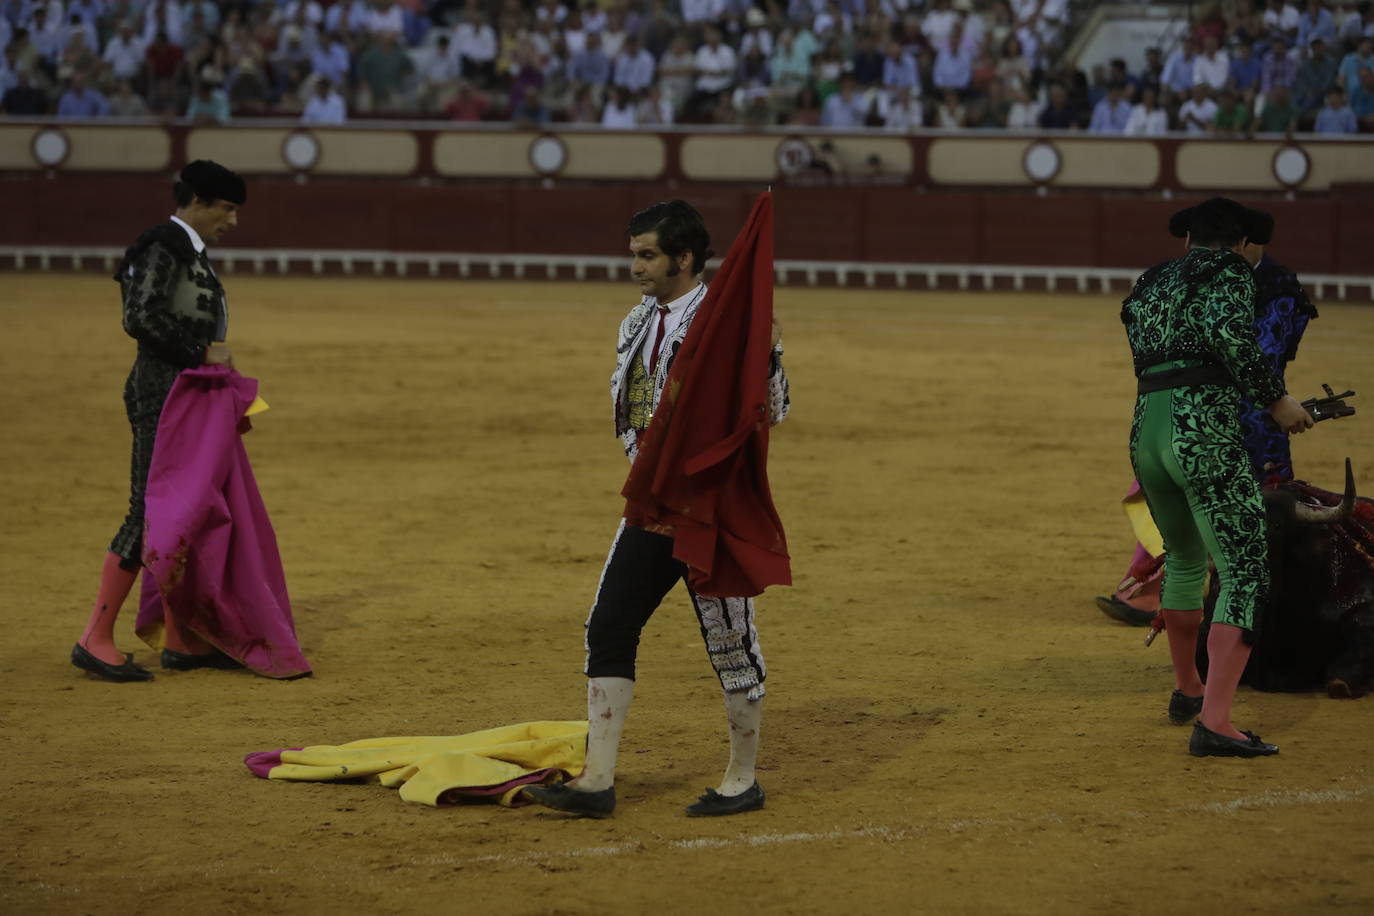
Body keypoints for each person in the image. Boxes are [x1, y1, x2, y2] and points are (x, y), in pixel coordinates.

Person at [523, 200, 789, 817]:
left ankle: (742, 778)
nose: (636, 266)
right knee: (609, 625)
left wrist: (769, 354)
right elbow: (630, 408)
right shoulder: (637, 321)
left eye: (647, 255)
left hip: (708, 509)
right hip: (652, 503)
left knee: (730, 640)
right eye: (634, 254)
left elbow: (771, 410)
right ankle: (597, 782)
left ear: (684, 257)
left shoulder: (728, 322)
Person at [1121, 197, 1315, 757]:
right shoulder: (1230, 271)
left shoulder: (1152, 279)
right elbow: (1231, 337)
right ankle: (1216, 721)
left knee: (1183, 559)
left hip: (1146, 428)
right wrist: (1276, 401)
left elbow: (1133, 323)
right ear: (1243, 243)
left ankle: (1188, 689)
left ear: (1187, 239)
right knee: (1246, 570)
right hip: (1201, 427)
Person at [71, 160, 245, 682]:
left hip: (187, 391)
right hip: (161, 391)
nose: (233, 221)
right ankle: (94, 637)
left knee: (183, 512)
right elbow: (139, 316)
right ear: (199, 200)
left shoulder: (186, 247)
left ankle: (181, 637)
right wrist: (201, 351)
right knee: (148, 510)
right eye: (228, 208)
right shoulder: (163, 243)